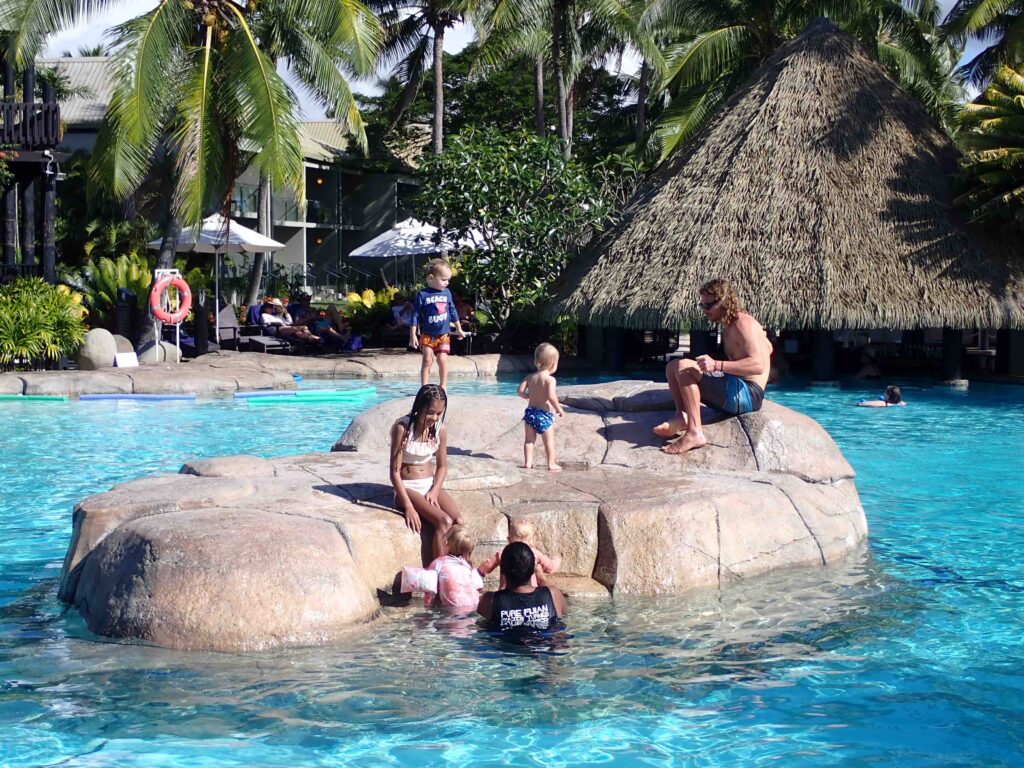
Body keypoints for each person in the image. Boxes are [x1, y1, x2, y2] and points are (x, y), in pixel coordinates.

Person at [655, 279, 772, 454]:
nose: (705, 311)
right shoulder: (730, 324)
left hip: (748, 394)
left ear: (723, 300)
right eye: (702, 306)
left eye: (708, 306)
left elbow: (757, 365)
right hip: (737, 386)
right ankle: (682, 416)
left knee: (684, 367)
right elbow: (768, 348)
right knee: (673, 366)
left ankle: (695, 433)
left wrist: (716, 365)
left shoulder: (743, 323)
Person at [390, 384, 465, 559]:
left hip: (429, 485)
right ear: (419, 407)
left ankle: (460, 569)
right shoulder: (402, 429)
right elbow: (394, 472)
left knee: (459, 522)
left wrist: (434, 490)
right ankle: (439, 570)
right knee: (444, 521)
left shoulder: (440, 430)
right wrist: (408, 506)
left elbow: (442, 467)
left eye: (439, 413)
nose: (434, 417)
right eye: (430, 412)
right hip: (407, 487)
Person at [477, 542, 567, 634]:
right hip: (545, 645)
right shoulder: (553, 594)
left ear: (502, 570)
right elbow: (563, 614)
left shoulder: (489, 600)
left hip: (506, 647)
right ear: (533, 569)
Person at [410, 259, 466, 389]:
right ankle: (424, 387)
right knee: (427, 359)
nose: (446, 283)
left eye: (448, 280)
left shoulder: (447, 293)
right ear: (431, 278)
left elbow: (452, 310)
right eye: (443, 279)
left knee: (442, 359)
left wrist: (459, 328)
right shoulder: (422, 295)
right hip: (428, 334)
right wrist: (412, 335)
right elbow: (415, 315)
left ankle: (443, 386)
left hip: (444, 334)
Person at [518, 342, 566, 471]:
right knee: (548, 442)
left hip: (530, 414)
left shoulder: (529, 377)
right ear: (553, 364)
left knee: (529, 440)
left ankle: (528, 463)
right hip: (544, 415)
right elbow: (551, 396)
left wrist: (527, 396)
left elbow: (520, 391)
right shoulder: (550, 380)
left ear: (535, 361)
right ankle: (551, 464)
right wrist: (558, 408)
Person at [477, 518, 561, 590]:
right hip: (530, 592)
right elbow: (550, 567)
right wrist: (557, 559)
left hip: (507, 594)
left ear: (509, 539)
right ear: (532, 539)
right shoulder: (534, 553)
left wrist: (478, 572)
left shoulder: (503, 553)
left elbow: (487, 565)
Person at [423, 525, 485, 613]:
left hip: (455, 610)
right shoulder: (466, 566)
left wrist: (428, 610)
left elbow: (429, 593)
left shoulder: (438, 563)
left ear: (446, 542)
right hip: (475, 606)